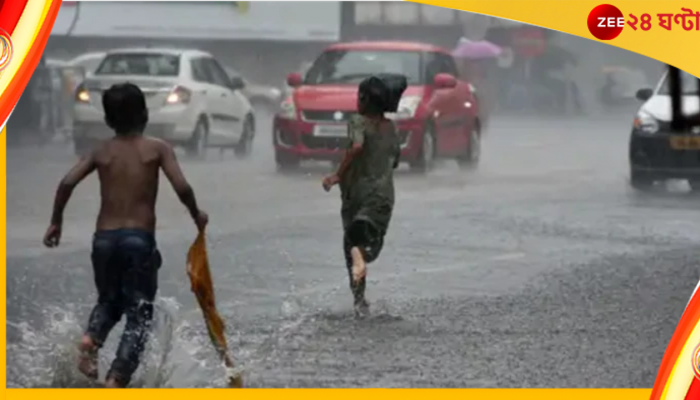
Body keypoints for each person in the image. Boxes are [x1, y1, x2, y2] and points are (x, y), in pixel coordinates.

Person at [42, 83, 208, 388]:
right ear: (145, 114)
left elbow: (67, 182)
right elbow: (181, 187)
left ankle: (91, 338)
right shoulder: (157, 149)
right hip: (138, 240)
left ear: (107, 120)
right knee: (139, 312)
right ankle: (117, 378)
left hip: (103, 239)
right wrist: (196, 214)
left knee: (108, 301)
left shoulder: (101, 151)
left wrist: (56, 222)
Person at [322, 74, 406, 318]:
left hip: (356, 196)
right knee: (371, 242)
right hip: (382, 197)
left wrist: (337, 174)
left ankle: (359, 301)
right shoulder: (391, 127)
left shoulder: (358, 122)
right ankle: (361, 285)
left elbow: (357, 146)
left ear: (364, 100)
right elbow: (395, 160)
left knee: (351, 244)